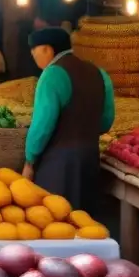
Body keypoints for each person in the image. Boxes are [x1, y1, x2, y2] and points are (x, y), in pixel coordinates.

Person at [23, 27, 115, 213]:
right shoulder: (99, 72)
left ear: (47, 50)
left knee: (57, 220)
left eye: (34, 51)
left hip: (58, 164)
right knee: (85, 221)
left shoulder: (52, 75)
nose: (33, 57)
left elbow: (42, 126)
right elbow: (106, 120)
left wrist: (29, 160)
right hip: (90, 159)